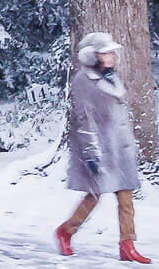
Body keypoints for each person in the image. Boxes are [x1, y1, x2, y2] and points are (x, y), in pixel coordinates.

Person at [56, 32, 149, 263]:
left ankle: (127, 246)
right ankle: (66, 231)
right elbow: (83, 118)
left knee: (125, 197)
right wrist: (90, 154)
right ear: (93, 56)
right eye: (106, 53)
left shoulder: (110, 77)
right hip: (99, 148)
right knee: (94, 196)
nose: (111, 57)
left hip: (119, 147)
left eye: (111, 52)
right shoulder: (83, 80)